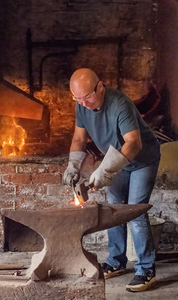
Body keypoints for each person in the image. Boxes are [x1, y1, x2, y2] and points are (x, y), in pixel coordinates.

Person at [63, 68, 160, 292]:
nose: (84, 103)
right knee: (114, 211)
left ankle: (146, 270)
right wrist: (73, 166)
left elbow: (134, 144)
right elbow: (79, 139)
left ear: (100, 86)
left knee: (135, 211)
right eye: (78, 98)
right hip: (117, 160)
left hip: (142, 161)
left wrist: (105, 169)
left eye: (88, 96)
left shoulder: (120, 104)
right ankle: (117, 261)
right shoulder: (81, 104)